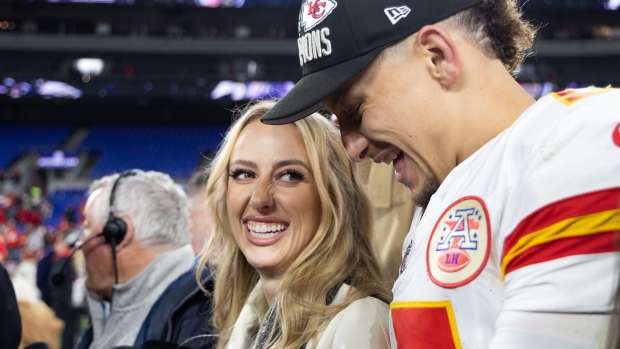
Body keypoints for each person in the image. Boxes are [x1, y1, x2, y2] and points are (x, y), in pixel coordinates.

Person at [261, 0, 620, 348]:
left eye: (355, 110)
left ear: (437, 56)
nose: (353, 149)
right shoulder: (439, 199)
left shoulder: (577, 139)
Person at [198, 100, 391, 349]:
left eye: (289, 175)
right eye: (244, 174)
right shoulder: (248, 318)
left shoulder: (359, 321)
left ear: (334, 197)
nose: (260, 199)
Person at [76, 170, 195, 349]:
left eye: (87, 227)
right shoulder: (118, 306)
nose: (79, 242)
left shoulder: (201, 313)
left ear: (119, 233)